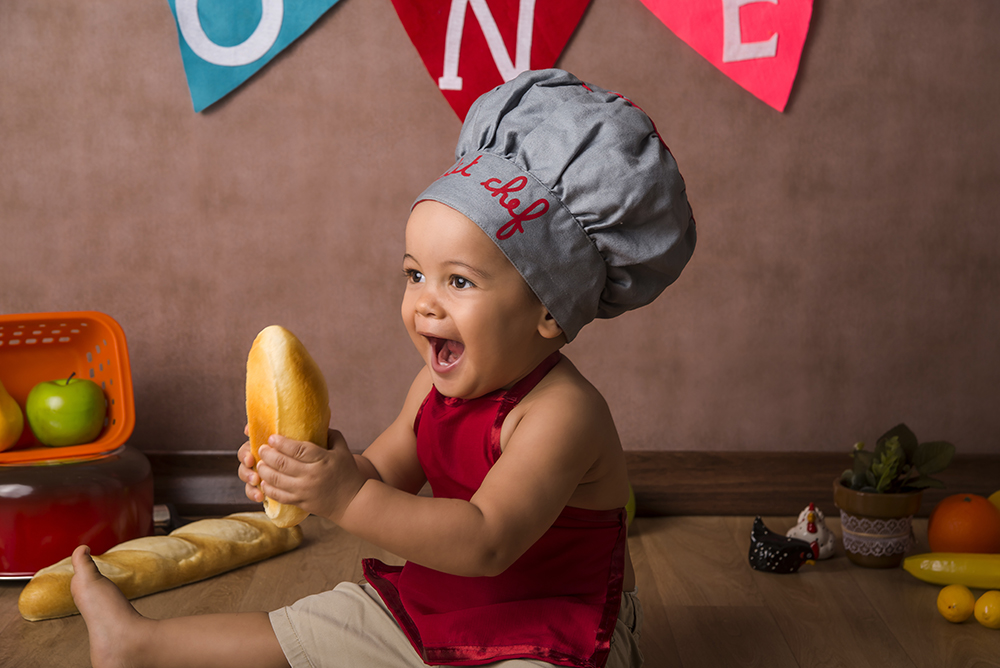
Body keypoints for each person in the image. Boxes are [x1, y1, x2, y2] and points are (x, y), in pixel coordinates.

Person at [69, 68, 696, 668]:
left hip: (557, 629)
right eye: (415, 274)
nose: (425, 302)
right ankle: (136, 646)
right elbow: (377, 477)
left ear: (549, 312)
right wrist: (310, 471)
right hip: (446, 603)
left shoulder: (563, 414)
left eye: (458, 281)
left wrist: (345, 495)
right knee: (318, 623)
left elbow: (486, 540)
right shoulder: (432, 387)